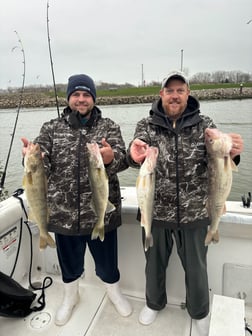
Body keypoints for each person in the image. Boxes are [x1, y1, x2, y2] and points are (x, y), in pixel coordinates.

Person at [127, 71, 244, 335]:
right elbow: (135, 155)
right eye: (170, 91)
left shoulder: (205, 124)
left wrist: (232, 154)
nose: (175, 95)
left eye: (180, 90)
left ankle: (199, 310)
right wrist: (133, 156)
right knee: (153, 263)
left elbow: (219, 160)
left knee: (196, 268)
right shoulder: (146, 125)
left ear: (188, 94)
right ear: (161, 95)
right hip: (155, 212)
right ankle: (154, 303)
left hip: (195, 212)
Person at [22, 74, 132, 326]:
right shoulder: (51, 128)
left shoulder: (109, 126)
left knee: (107, 262)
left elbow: (124, 159)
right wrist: (31, 156)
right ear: (69, 98)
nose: (81, 99)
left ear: (93, 98)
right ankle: (71, 296)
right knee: (69, 264)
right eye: (76, 94)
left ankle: (113, 292)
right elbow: (43, 163)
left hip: (102, 212)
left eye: (86, 95)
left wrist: (109, 158)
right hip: (63, 213)